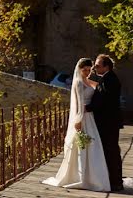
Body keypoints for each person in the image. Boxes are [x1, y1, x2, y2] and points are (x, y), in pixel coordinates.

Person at [42, 58, 111, 191]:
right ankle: (80, 177)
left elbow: (99, 89)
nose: (86, 72)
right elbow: (78, 103)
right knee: (83, 146)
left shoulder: (88, 81)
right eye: (84, 70)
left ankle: (94, 178)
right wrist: (78, 121)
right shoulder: (78, 83)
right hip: (83, 117)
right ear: (79, 70)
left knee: (93, 146)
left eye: (89, 70)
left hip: (90, 117)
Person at [86, 54, 124, 192]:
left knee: (111, 151)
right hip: (108, 122)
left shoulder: (110, 80)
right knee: (110, 151)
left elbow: (104, 101)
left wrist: (88, 108)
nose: (95, 68)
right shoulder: (107, 78)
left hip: (109, 122)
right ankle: (112, 180)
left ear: (106, 66)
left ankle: (115, 182)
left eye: (97, 65)